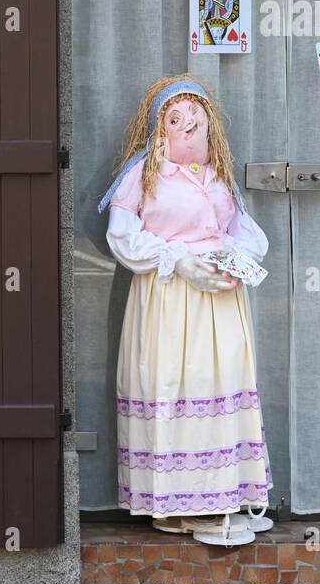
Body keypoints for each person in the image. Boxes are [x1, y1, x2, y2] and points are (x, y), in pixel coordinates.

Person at [98, 76, 272, 548]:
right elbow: (122, 235)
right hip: (170, 300)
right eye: (177, 122)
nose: (189, 129)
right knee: (178, 386)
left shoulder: (217, 175)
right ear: (159, 129)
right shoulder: (144, 174)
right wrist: (178, 260)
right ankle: (177, 504)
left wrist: (234, 257)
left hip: (219, 298)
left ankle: (221, 494)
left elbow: (243, 229)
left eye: (197, 122)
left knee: (222, 383)